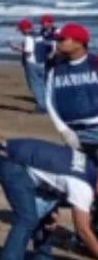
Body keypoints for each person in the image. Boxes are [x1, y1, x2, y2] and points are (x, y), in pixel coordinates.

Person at [0, 138, 98, 260]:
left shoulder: (89, 165)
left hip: (14, 154)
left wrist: (54, 208)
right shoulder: (83, 187)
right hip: (9, 161)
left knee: (47, 210)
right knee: (27, 217)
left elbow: (56, 178)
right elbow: (83, 231)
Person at [46, 24, 98, 159]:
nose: (57, 43)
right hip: (73, 132)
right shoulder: (56, 70)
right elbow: (50, 101)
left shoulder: (95, 64)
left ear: (79, 43)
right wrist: (63, 130)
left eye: (62, 39)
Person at [11, 18, 47, 112]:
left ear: (24, 29)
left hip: (32, 63)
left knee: (35, 85)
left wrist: (17, 48)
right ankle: (47, 104)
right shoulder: (40, 35)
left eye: (20, 30)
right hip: (42, 62)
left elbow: (28, 52)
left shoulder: (28, 37)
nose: (20, 32)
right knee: (43, 84)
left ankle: (42, 106)